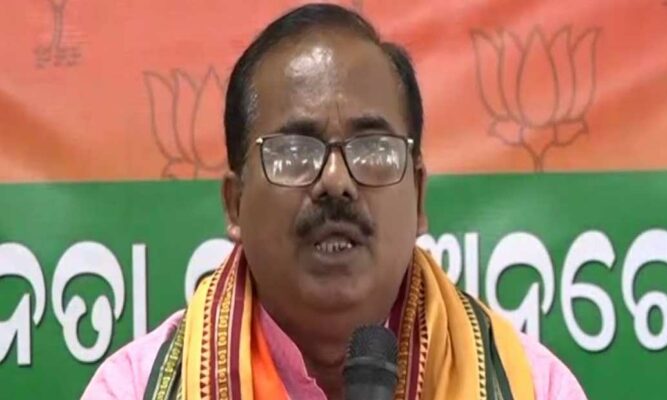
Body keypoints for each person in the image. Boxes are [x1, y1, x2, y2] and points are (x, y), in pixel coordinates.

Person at [83, 3, 586, 399]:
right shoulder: (135, 388)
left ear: (418, 197)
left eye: (372, 149)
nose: (336, 182)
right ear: (235, 204)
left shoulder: (531, 387)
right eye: (294, 152)